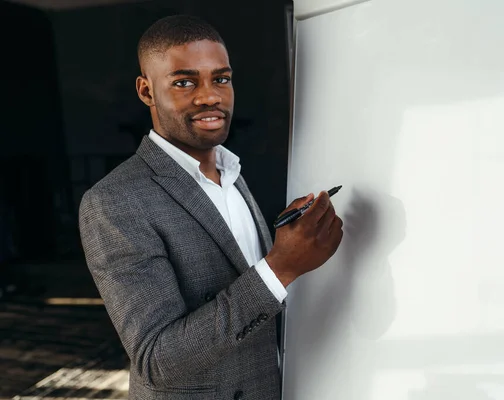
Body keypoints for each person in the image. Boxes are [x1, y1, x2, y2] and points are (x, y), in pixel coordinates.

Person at [78, 14, 343, 400]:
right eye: (185, 82)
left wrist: (287, 245)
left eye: (221, 78)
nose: (209, 96)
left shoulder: (231, 171)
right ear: (146, 91)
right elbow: (157, 359)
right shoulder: (113, 201)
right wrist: (281, 266)